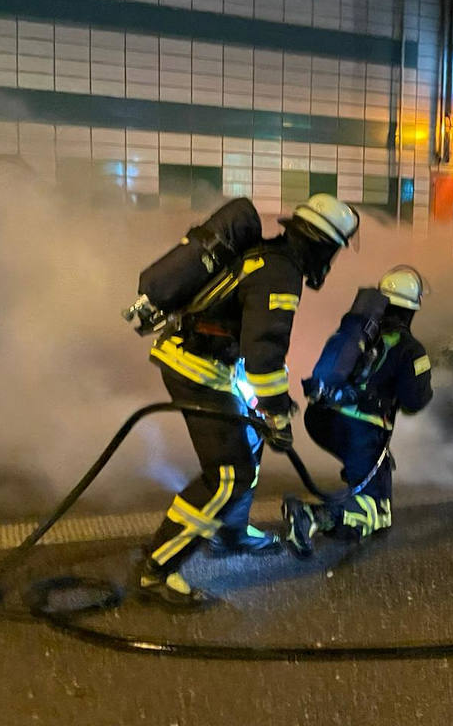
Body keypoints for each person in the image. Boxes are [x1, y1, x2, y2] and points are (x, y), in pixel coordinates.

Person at [138, 194, 360, 611]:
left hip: (212, 362)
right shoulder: (280, 273)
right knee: (227, 475)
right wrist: (277, 412)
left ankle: (229, 533)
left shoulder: (269, 256)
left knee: (250, 447)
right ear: (322, 244)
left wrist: (266, 413)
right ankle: (158, 568)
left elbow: (249, 347)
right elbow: (264, 353)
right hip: (196, 368)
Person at [282, 266, 433, 555]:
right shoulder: (410, 349)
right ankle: (311, 516)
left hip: (321, 417)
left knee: (379, 483)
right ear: (411, 309)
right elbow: (416, 402)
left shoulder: (359, 332)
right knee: (372, 512)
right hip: (357, 428)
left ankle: (364, 500)